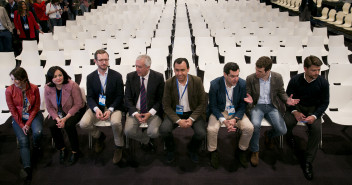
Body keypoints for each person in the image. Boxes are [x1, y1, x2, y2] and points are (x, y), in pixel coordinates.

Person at [244, 56, 299, 167]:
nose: (256, 72)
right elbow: (248, 95)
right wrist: (249, 103)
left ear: (268, 71)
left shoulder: (277, 77)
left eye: (259, 71)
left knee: (282, 129)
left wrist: (287, 100)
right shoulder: (250, 78)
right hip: (257, 106)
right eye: (256, 69)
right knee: (255, 125)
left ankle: (269, 135)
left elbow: (281, 93)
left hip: (271, 106)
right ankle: (255, 151)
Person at [284, 55, 329, 180]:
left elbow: (325, 103)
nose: (317, 73)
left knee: (316, 130)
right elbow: (288, 99)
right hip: (297, 108)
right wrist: (294, 112)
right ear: (305, 69)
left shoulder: (323, 82)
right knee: (286, 123)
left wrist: (315, 116)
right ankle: (289, 136)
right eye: (313, 70)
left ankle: (308, 161)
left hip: (313, 110)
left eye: (318, 70)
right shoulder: (295, 80)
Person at [79, 49, 125, 165]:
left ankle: (119, 146)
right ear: (95, 61)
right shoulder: (90, 77)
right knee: (83, 124)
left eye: (106, 59)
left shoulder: (117, 76)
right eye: (101, 60)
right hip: (97, 107)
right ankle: (99, 136)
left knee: (115, 122)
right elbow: (89, 97)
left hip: (114, 107)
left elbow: (120, 96)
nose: (104, 62)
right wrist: (96, 109)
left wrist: (110, 110)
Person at [160, 58, 207, 163]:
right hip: (175, 113)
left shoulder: (197, 81)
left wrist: (191, 119)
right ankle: (171, 149)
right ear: (173, 70)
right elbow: (166, 106)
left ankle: (192, 149)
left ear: (188, 69)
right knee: (164, 129)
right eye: (176, 70)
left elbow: (202, 103)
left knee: (201, 133)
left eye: (182, 70)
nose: (179, 73)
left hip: (193, 112)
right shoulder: (169, 83)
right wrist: (178, 120)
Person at [207, 62, 254, 169]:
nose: (235, 79)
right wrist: (224, 120)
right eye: (232, 76)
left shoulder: (242, 84)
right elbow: (213, 106)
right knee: (211, 129)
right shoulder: (215, 84)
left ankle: (242, 150)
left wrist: (235, 119)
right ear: (225, 74)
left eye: (237, 75)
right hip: (220, 111)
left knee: (249, 128)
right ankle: (213, 151)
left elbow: (242, 106)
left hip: (236, 112)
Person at [5, 67, 43, 185]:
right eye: (12, 79)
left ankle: (36, 146)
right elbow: (12, 109)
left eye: (14, 79)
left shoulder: (34, 88)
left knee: (38, 132)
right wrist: (22, 125)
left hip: (33, 115)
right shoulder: (9, 90)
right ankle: (27, 169)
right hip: (18, 117)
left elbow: (36, 107)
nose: (12, 82)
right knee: (23, 140)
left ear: (22, 79)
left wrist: (28, 123)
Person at [44, 66, 86, 165]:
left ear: (64, 75)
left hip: (74, 110)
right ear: (50, 78)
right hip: (58, 112)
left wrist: (65, 118)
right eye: (55, 76)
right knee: (52, 125)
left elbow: (78, 104)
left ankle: (75, 151)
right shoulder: (47, 88)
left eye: (60, 75)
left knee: (69, 125)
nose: (58, 78)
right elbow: (49, 107)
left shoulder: (72, 85)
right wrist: (58, 118)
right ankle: (62, 148)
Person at [124, 55, 164, 153]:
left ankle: (148, 137)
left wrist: (150, 113)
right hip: (136, 110)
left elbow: (160, 100)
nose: (137, 69)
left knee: (153, 133)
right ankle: (146, 140)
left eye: (140, 67)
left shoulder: (158, 77)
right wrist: (134, 113)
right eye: (136, 66)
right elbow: (127, 98)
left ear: (148, 67)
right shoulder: (131, 76)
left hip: (152, 110)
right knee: (128, 132)